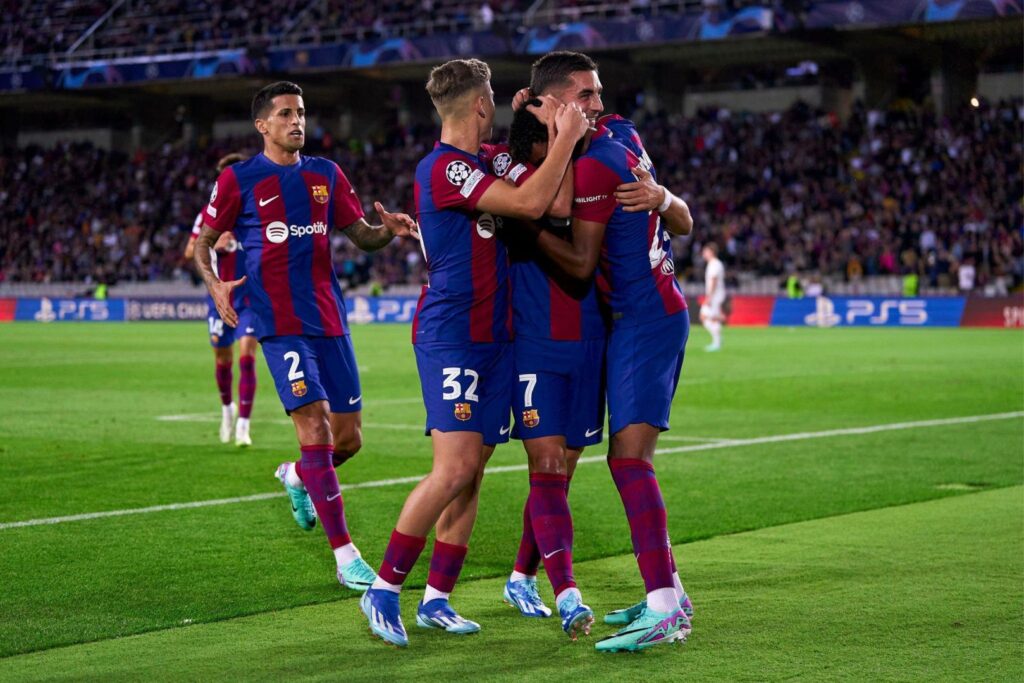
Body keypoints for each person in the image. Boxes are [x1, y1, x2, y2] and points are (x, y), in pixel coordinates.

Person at [359, 58, 589, 648]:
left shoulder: (489, 160)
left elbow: (558, 203)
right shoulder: (442, 169)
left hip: (497, 338)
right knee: (454, 468)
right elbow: (532, 205)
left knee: (474, 473)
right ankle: (383, 588)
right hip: (452, 336)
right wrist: (564, 138)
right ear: (480, 105)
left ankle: (437, 598)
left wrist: (543, 135)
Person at [193, 81, 418, 591]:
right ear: (262, 125)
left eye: (301, 113)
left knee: (349, 440)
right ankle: (346, 557)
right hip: (278, 322)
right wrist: (214, 285)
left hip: (329, 318)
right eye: (286, 114)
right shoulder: (238, 179)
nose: (298, 121)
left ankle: (296, 476)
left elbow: (360, 234)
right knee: (314, 428)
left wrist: (390, 231)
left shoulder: (326, 174)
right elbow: (202, 243)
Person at [520, 51, 696, 652]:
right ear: (557, 102)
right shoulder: (624, 135)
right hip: (648, 313)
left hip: (644, 318)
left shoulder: (597, 162)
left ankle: (666, 605)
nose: (598, 104)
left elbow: (579, 262)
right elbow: (685, 220)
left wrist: (525, 225)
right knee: (628, 459)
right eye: (585, 95)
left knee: (629, 461)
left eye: (598, 94)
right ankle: (667, 588)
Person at [184, 153, 259, 446]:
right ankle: (228, 409)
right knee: (223, 359)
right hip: (219, 297)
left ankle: (244, 425)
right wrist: (217, 242)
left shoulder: (257, 210)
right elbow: (190, 251)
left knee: (247, 357)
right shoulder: (208, 214)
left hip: (251, 299)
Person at [700, 242, 726, 352]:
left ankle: (717, 343)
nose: (703, 254)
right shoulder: (716, 263)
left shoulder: (714, 264)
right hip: (717, 295)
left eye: (705, 251)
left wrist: (709, 297)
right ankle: (717, 340)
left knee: (704, 316)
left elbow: (714, 281)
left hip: (715, 295)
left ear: (711, 252)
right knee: (713, 318)